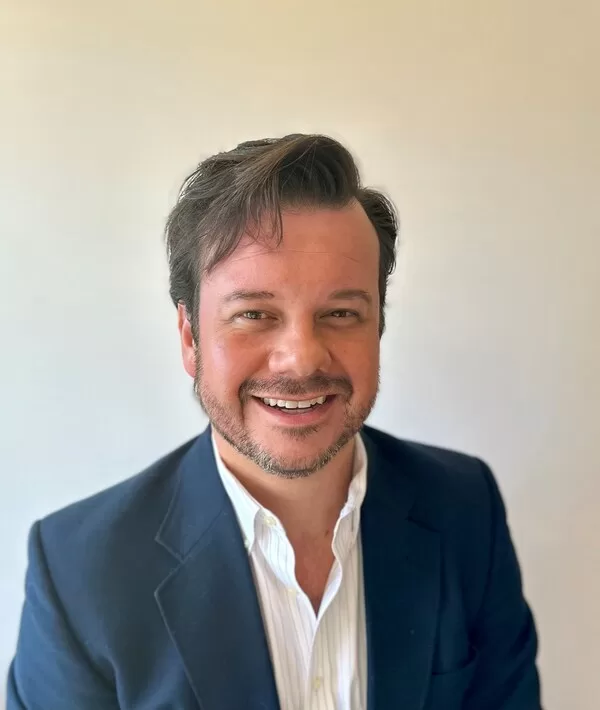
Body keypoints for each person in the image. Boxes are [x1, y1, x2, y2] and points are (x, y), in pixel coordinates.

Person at [7, 134, 542, 710]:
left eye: (341, 313)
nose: (302, 358)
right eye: (255, 315)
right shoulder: (79, 572)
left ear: (378, 326)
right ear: (190, 338)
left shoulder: (465, 508)